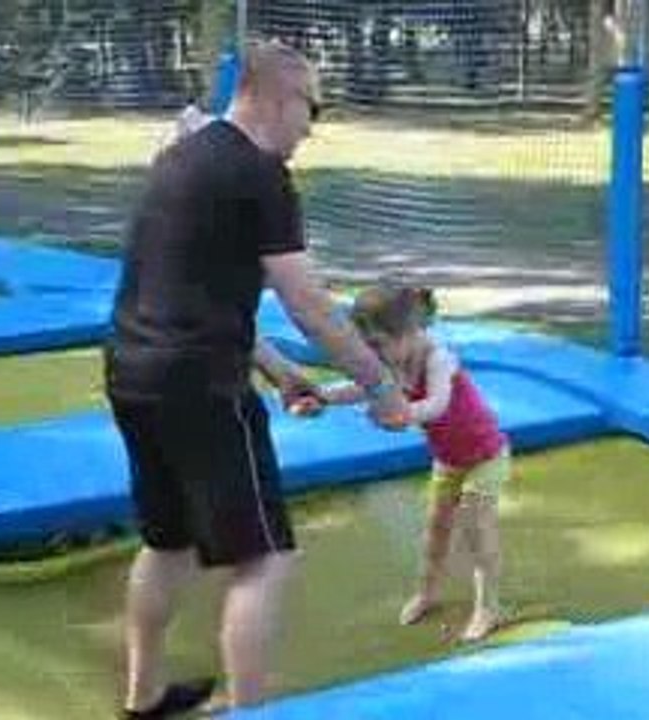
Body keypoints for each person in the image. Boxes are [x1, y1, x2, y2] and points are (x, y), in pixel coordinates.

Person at [104, 39, 409, 719]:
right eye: (313, 107)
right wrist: (383, 388)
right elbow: (310, 305)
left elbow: (195, 292)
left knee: (169, 541)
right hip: (201, 389)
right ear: (278, 97)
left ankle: (144, 698)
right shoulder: (261, 174)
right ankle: (251, 711)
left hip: (133, 371)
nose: (313, 126)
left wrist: (279, 372)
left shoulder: (181, 156)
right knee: (265, 558)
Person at [315, 283, 511, 642]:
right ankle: (428, 592)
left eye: (377, 345)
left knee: (475, 526)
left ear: (408, 333)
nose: (373, 354)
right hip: (449, 460)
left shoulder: (438, 358)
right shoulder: (393, 359)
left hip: (486, 456)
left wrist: (399, 414)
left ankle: (490, 606)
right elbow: (362, 386)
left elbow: (437, 403)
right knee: (436, 529)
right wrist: (320, 395)